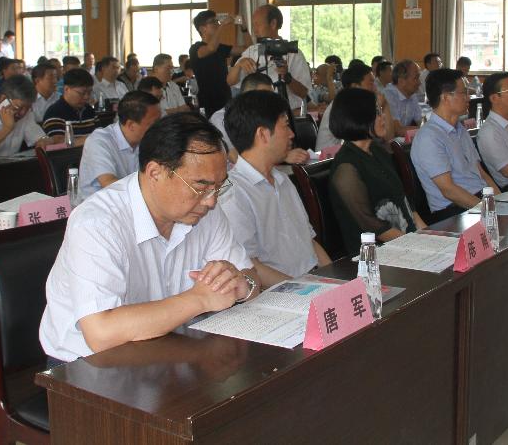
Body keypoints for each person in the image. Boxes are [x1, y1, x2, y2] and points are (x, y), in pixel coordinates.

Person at [39, 112, 258, 362]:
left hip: (170, 345)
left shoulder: (205, 211)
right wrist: (199, 299)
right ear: (155, 173)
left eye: (218, 187)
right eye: (200, 186)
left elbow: (249, 275)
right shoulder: (98, 222)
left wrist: (241, 286)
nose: (211, 200)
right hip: (88, 364)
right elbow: (101, 333)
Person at [219, 90, 331, 287]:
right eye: (286, 125)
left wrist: (335, 279)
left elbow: (310, 241)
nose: (292, 134)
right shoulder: (234, 194)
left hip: (313, 282)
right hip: (283, 292)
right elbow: (249, 266)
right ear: (263, 134)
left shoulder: (282, 179)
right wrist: (309, 290)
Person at [329, 88, 427, 244]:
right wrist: (419, 244)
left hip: (407, 240)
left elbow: (407, 205)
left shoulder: (377, 151)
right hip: (377, 251)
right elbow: (374, 228)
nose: (383, 117)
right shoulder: (346, 168)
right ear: (359, 117)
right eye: (377, 113)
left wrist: (428, 235)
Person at [410, 69, 498, 219]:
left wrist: (501, 202)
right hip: (455, 211)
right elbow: (449, 190)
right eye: (464, 92)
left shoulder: (460, 129)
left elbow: (481, 173)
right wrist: (489, 212)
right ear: (445, 97)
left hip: (479, 201)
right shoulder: (428, 137)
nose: (468, 97)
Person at [210, 74, 310, 165]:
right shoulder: (221, 118)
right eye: (263, 97)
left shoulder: (261, 117)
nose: (269, 103)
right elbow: (235, 158)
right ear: (246, 95)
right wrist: (283, 156)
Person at [78, 91, 161, 200]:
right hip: (100, 206)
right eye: (154, 123)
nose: (160, 128)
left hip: (131, 202)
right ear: (131, 125)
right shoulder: (99, 142)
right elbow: (110, 184)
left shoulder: (147, 140)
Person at [229, 4, 311, 110]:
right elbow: (230, 81)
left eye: (258, 24)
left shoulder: (293, 53)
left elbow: (303, 93)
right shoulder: (253, 51)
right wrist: (239, 64)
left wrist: (287, 77)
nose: (255, 30)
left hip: (284, 113)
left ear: (273, 24)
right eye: (253, 25)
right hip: (256, 112)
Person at [315, 62, 394, 150]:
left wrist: (385, 104)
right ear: (355, 87)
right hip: (330, 156)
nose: (375, 88)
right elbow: (381, 136)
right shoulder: (344, 104)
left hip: (350, 151)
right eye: (371, 83)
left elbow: (389, 138)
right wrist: (379, 106)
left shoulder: (358, 103)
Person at [41, 68, 98, 139]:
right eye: (82, 93)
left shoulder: (89, 110)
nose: (86, 97)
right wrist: (91, 139)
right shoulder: (54, 112)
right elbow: (58, 142)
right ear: (66, 89)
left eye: (89, 92)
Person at [383, 59, 422, 132]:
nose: (420, 83)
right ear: (401, 81)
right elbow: (397, 130)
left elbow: (420, 121)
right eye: (416, 78)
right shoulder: (388, 96)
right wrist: (424, 130)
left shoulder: (412, 94)